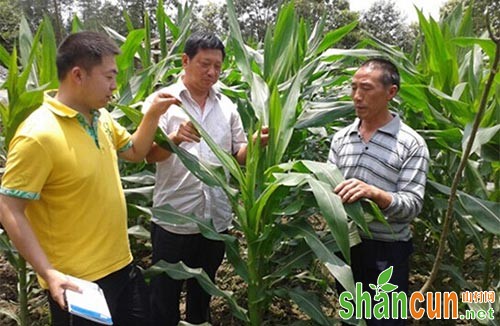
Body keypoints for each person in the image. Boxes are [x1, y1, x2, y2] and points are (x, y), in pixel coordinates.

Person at [0, 31, 179, 325]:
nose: (114, 86)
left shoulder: (100, 117)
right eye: (109, 77)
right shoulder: (38, 135)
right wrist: (49, 274)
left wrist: (153, 114)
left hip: (123, 265)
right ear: (78, 75)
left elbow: (134, 151)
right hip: (79, 284)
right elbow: (9, 208)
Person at [143, 31, 267, 326]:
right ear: (185, 61)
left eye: (218, 66)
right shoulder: (162, 102)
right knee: (165, 297)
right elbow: (147, 155)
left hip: (215, 220)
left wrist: (254, 144)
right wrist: (173, 139)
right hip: (174, 218)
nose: (212, 72)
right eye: (204, 64)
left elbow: (236, 154)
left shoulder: (227, 106)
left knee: (204, 292)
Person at [328, 58, 429, 325]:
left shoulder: (411, 144)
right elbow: (328, 188)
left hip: (388, 251)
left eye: (366, 88)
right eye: (353, 88)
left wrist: (374, 193)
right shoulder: (341, 139)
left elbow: (413, 204)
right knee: (353, 319)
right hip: (347, 247)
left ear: (391, 92)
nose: (357, 96)